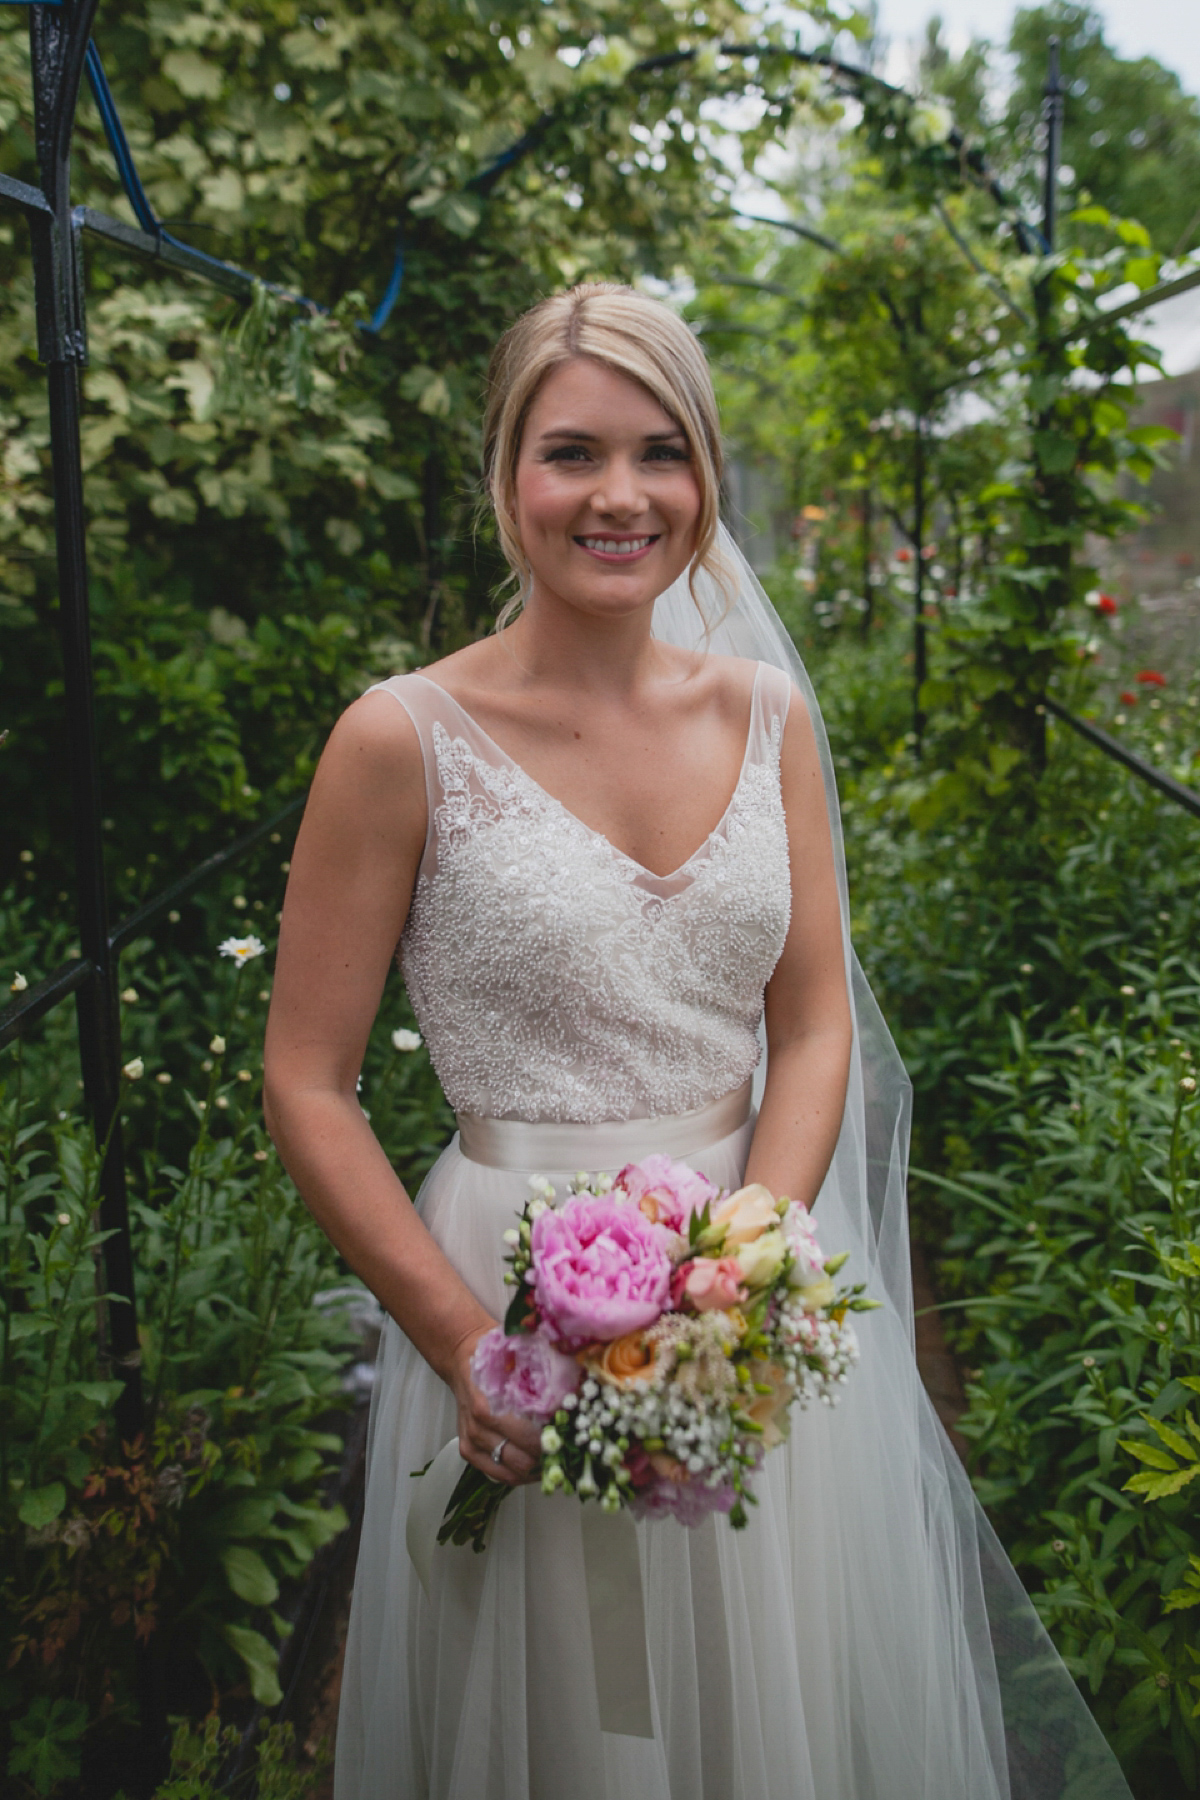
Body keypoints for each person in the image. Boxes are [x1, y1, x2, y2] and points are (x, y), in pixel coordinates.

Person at [263, 284, 1131, 1800]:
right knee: (547, 1710)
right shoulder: (400, 739)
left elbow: (808, 1026)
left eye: (662, 453)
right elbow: (304, 1080)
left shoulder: (772, 715)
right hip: (504, 1288)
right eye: (572, 452)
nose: (620, 495)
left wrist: (749, 1270)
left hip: (749, 1293)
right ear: (505, 473)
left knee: (767, 1705)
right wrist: (468, 1342)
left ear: (707, 478)